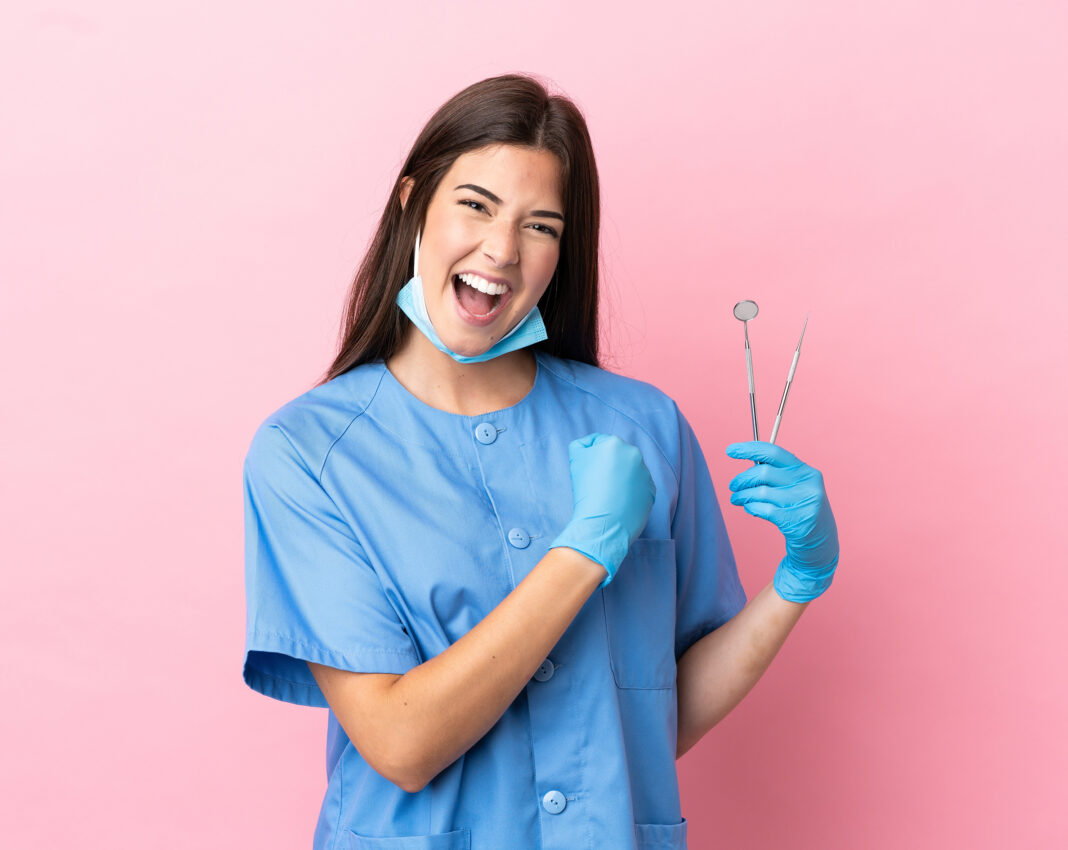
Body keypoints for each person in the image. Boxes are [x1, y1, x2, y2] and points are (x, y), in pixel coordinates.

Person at [242, 73, 839, 850]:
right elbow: (400, 744)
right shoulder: (309, 454)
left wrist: (798, 580)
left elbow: (658, 714)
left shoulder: (644, 427)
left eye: (541, 226)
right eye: (476, 205)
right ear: (411, 200)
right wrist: (586, 547)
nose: (501, 249)